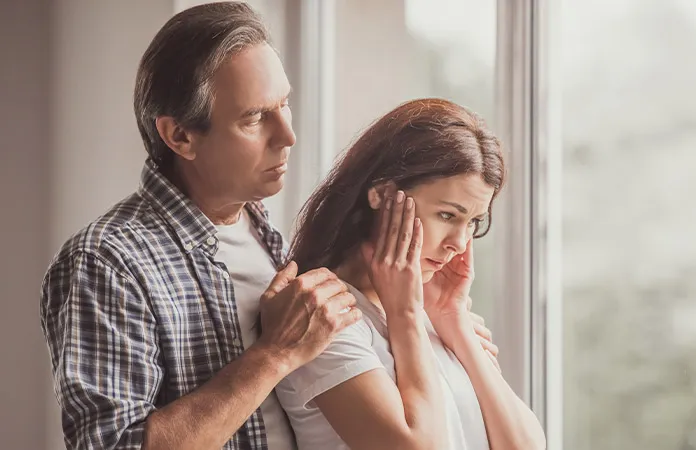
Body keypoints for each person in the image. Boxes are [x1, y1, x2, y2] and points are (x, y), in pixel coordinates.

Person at [39, 3, 497, 449]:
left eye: (285, 105)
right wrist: (274, 354)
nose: (287, 135)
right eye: (255, 118)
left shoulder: (274, 242)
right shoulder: (107, 262)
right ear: (179, 136)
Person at [273, 98, 548, 450]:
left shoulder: (436, 315)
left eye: (473, 223)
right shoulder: (323, 316)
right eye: (448, 216)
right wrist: (405, 315)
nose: (459, 245)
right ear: (383, 194)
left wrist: (455, 322)